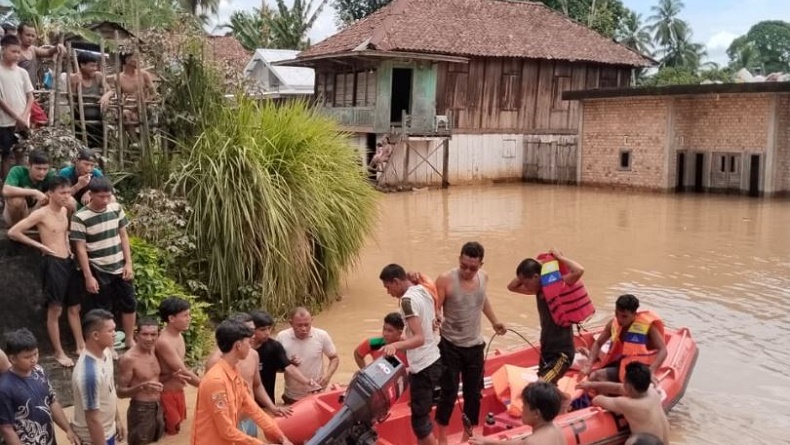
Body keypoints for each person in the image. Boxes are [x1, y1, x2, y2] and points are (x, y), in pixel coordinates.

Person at [8, 175, 84, 367]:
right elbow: (13, 232)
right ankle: (59, 352)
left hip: (68, 260)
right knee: (55, 309)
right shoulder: (41, 213)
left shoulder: (65, 210)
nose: (66, 196)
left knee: (75, 307)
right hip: (52, 262)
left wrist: (68, 247)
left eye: (68, 192)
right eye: (62, 193)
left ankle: (80, 345)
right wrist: (39, 246)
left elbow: (64, 232)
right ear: (50, 193)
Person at [435, 242, 506, 444]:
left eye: (472, 268)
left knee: (473, 395)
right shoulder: (446, 279)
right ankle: (442, 439)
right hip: (450, 346)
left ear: (481, 264)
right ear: (459, 259)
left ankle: (467, 438)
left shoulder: (484, 277)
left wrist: (495, 321)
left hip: (475, 346)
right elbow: (436, 307)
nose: (467, 271)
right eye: (464, 265)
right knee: (448, 393)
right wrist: (437, 317)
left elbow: (482, 300)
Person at [191, 319, 293, 445]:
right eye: (249, 343)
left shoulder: (234, 370)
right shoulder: (216, 381)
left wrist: (281, 437)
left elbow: (252, 408)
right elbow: (226, 431)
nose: (251, 347)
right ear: (238, 345)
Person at [379, 264, 442, 445]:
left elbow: (419, 338)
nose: (388, 292)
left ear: (396, 282)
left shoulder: (407, 302)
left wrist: (396, 345)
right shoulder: (423, 290)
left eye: (388, 287)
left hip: (423, 365)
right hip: (434, 358)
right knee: (421, 418)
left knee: (420, 423)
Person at [70, 177, 136, 349]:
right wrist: (88, 276)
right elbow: (80, 248)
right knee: (103, 309)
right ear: (91, 195)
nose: (105, 200)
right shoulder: (80, 217)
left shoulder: (115, 209)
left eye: (108, 196)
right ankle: (109, 347)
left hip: (119, 264)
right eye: (101, 197)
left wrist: (129, 263)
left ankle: (129, 339)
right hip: (98, 266)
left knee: (129, 303)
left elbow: (123, 236)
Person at [508, 249, 584, 384]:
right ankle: (564, 400)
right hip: (547, 349)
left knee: (541, 385)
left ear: (536, 277)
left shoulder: (557, 288)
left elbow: (578, 271)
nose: (524, 286)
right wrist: (539, 262)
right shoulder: (537, 291)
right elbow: (512, 286)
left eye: (526, 282)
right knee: (547, 386)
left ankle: (564, 400)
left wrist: (559, 258)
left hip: (561, 353)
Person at [0, 328, 80, 445]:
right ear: (12, 359)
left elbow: (52, 402)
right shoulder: (5, 388)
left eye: (36, 354)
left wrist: (68, 428)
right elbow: (6, 429)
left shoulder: (39, 372)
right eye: (27, 357)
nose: (33, 359)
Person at [583, 294, 667, 383]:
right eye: (617, 313)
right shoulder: (613, 323)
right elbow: (598, 343)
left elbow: (663, 350)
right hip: (622, 363)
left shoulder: (648, 327)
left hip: (640, 368)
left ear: (634, 314)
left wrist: (651, 370)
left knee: (596, 376)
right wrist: (589, 364)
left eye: (624, 316)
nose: (619, 319)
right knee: (593, 377)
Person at [579, 362, 670, 444]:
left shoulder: (627, 404)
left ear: (628, 386)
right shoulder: (652, 391)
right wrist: (591, 385)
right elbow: (618, 388)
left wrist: (594, 391)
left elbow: (597, 400)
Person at [72, 309, 126, 445]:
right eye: (110, 331)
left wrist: (117, 420)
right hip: (94, 439)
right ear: (95, 335)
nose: (115, 334)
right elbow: (92, 419)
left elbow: (109, 390)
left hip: (108, 431)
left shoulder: (106, 353)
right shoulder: (89, 374)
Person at [250, 311, 316, 406]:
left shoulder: (274, 347)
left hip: (266, 402)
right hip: (241, 403)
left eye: (269, 328)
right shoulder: (240, 349)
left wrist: (307, 382)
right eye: (262, 329)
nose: (267, 333)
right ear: (251, 329)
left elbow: (288, 367)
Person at [155, 296, 200, 436]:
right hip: (166, 394)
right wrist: (206, 386)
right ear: (171, 318)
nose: (189, 318)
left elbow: (181, 366)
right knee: (171, 433)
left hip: (178, 392)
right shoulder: (164, 342)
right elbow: (183, 371)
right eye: (185, 315)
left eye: (189, 314)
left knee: (177, 430)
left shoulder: (179, 335)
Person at [275, 307, 339, 404]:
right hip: (291, 396)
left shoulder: (321, 335)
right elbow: (275, 367)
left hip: (316, 393)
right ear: (291, 323)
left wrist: (327, 376)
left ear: (312, 321)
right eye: (299, 325)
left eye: (307, 325)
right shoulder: (282, 337)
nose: (304, 329)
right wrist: (288, 363)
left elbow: (334, 358)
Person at [469, 381, 565, 445]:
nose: (522, 408)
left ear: (536, 413)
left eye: (524, 405)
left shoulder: (533, 442)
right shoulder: (556, 428)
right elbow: (520, 443)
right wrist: (489, 442)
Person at [118, 318, 165, 445]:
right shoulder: (129, 359)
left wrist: (173, 376)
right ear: (136, 335)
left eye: (153, 334)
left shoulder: (154, 350)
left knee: (155, 439)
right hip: (140, 410)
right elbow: (120, 392)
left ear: (158, 335)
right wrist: (142, 387)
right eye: (145, 334)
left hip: (158, 405)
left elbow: (155, 379)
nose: (149, 339)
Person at [16, 24, 64, 127]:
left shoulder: (33, 49)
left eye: (33, 36)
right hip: (19, 93)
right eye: (27, 35)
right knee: (40, 119)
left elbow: (47, 52)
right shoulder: (16, 53)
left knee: (32, 121)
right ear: (19, 34)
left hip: (30, 93)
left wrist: (57, 47)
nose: (30, 38)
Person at [0, 34, 33, 179]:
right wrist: (17, 117)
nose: (17, 55)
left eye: (18, 52)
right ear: (3, 49)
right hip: (4, 122)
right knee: (7, 155)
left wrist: (24, 116)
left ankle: (23, 186)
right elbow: (0, 100)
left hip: (23, 122)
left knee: (22, 154)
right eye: (13, 51)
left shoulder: (22, 72)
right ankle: (7, 189)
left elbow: (30, 97)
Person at [67, 52, 113, 149]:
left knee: (100, 147)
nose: (95, 68)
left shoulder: (98, 76)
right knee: (82, 148)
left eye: (96, 65)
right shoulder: (73, 78)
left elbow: (110, 91)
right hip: (80, 120)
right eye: (92, 66)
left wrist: (106, 96)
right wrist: (74, 83)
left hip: (98, 120)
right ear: (82, 65)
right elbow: (70, 98)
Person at [2, 150, 55, 225]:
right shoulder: (18, 171)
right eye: (38, 168)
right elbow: (6, 190)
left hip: (35, 211)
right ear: (29, 165)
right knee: (16, 200)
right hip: (14, 215)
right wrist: (34, 192)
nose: (42, 172)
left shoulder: (50, 175)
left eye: (45, 169)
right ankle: (17, 227)